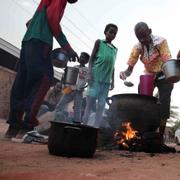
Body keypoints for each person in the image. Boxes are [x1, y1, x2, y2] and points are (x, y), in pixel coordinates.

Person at [5, 0, 79, 139]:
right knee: (44, 79)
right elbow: (52, 18)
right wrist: (68, 48)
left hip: (28, 42)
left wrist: (36, 29)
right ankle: (27, 126)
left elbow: (29, 22)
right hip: (41, 43)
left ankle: (13, 128)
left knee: (22, 83)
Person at [119, 22, 174, 143]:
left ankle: (160, 135)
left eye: (144, 36)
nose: (143, 40)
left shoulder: (161, 42)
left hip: (164, 74)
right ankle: (143, 131)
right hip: (149, 74)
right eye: (140, 38)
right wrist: (124, 73)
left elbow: (167, 63)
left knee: (164, 102)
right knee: (143, 101)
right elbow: (129, 70)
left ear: (150, 31)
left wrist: (161, 75)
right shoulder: (137, 47)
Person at [82, 23, 118, 128]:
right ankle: (84, 126)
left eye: (115, 34)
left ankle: (95, 128)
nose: (112, 35)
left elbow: (113, 66)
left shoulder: (115, 49)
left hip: (106, 82)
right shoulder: (99, 42)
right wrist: (89, 74)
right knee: (90, 103)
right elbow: (91, 58)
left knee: (101, 105)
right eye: (111, 32)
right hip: (95, 78)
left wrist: (113, 80)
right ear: (105, 32)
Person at [55, 52, 90, 123]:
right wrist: (64, 84)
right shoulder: (74, 67)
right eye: (80, 56)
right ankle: (54, 117)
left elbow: (90, 82)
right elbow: (66, 77)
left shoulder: (87, 70)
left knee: (77, 108)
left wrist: (84, 87)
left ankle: (77, 122)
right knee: (60, 104)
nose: (80, 58)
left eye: (83, 57)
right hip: (69, 89)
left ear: (87, 61)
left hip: (79, 91)